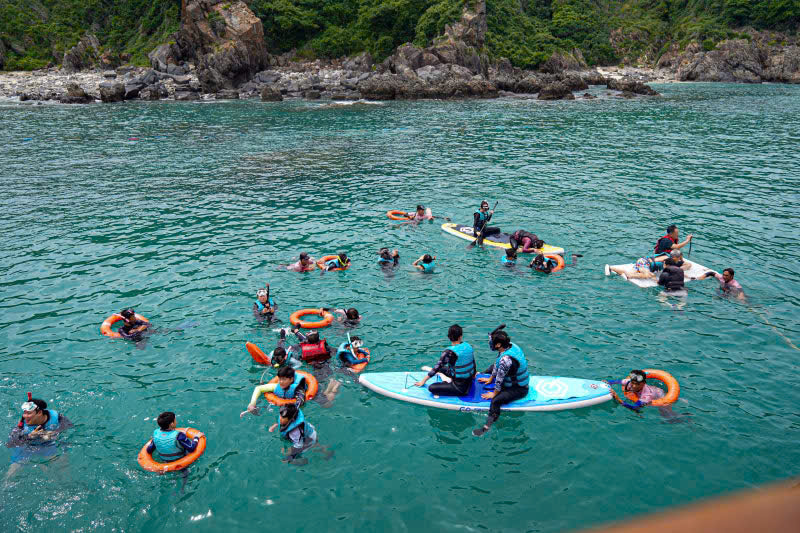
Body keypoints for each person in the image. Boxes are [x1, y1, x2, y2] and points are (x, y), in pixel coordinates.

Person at [473, 329, 530, 437]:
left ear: (498, 344)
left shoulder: (506, 360)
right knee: (492, 367)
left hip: (519, 388)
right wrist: (490, 378)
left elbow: (499, 380)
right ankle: (483, 373)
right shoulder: (510, 346)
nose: (490, 344)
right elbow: (497, 364)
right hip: (511, 379)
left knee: (495, 401)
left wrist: (494, 393)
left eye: (492, 342)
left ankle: (486, 428)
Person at [5, 394, 73, 480]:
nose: (24, 416)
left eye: (28, 413)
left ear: (40, 412)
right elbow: (10, 444)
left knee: (62, 467)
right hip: (27, 447)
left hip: (48, 445)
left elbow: (68, 426)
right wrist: (29, 437)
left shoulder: (55, 416)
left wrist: (53, 433)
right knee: (10, 475)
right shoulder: (21, 425)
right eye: (24, 412)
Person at [415, 324, 476, 396]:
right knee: (442, 369)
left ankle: (447, 382)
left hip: (460, 388)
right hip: (469, 380)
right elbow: (473, 363)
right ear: (460, 336)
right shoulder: (468, 346)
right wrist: (473, 374)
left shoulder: (449, 352)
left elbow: (436, 367)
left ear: (449, 337)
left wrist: (423, 381)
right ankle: (444, 377)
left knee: (432, 388)